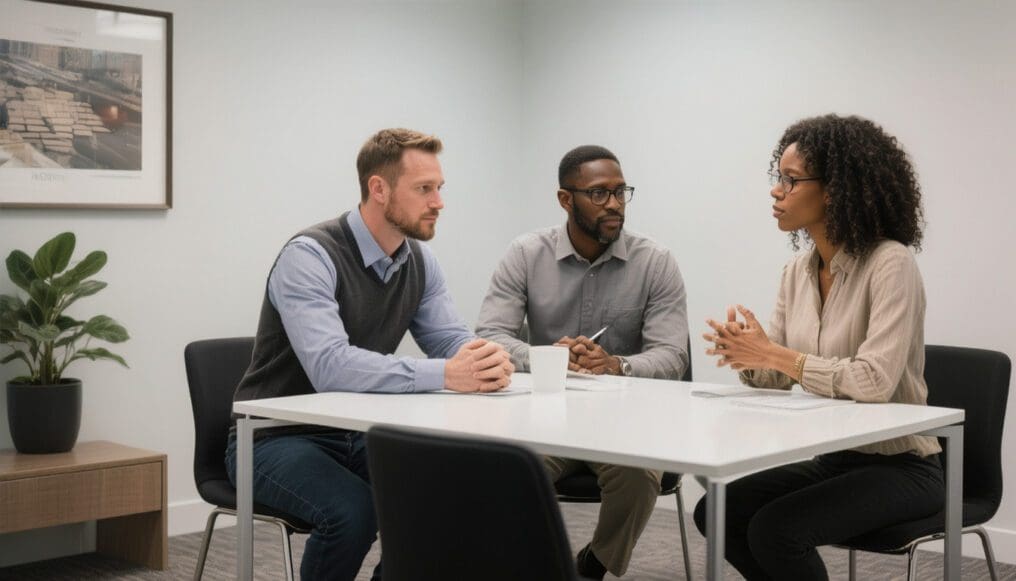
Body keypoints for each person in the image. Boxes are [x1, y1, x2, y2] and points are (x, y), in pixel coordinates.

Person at [226, 128, 514, 581]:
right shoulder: (310, 256)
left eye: (439, 188)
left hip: (354, 431)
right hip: (272, 437)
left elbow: (449, 338)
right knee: (354, 512)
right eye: (424, 189)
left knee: (445, 499)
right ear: (378, 189)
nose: (438, 202)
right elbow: (331, 367)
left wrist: (482, 359)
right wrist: (449, 373)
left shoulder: (419, 260)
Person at [693, 114, 943, 580]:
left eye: (790, 180)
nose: (776, 191)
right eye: (778, 178)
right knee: (716, 510)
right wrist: (748, 355)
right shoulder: (797, 271)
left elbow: (873, 381)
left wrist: (774, 354)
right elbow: (781, 375)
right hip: (836, 458)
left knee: (775, 531)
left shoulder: (892, 264)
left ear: (835, 189)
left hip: (905, 468)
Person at [476, 144, 688, 579]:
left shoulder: (656, 262)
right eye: (598, 194)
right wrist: (543, 358)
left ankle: (592, 565)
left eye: (620, 192)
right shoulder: (525, 254)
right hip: (544, 418)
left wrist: (618, 365)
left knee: (640, 476)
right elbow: (490, 334)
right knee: (496, 474)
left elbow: (673, 355)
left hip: (624, 424)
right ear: (565, 199)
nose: (613, 204)